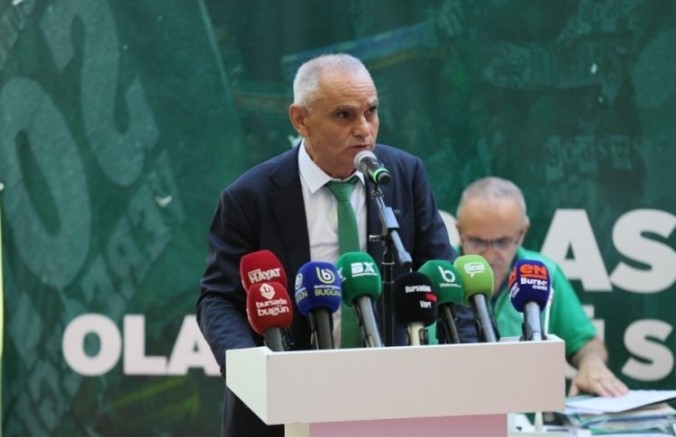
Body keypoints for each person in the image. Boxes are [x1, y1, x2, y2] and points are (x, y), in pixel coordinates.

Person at [197, 53, 478, 437]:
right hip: (283, 410)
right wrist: (252, 371)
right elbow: (217, 299)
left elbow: (445, 280)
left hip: (391, 403)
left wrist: (470, 371)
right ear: (301, 120)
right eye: (344, 115)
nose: (364, 129)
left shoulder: (403, 175)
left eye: (371, 112)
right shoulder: (250, 197)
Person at [455, 176, 629, 398]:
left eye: (502, 242)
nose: (489, 255)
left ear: (522, 232)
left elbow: (585, 343)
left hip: (528, 415)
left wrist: (591, 364)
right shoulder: (438, 277)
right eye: (477, 242)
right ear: (459, 232)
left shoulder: (543, 273)